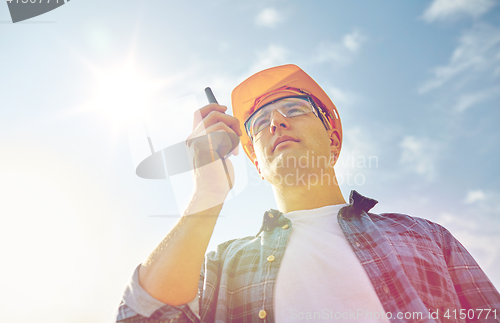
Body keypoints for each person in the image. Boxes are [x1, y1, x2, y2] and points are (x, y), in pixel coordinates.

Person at [116, 64, 500, 322]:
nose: (277, 122)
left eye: (293, 109)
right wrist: (208, 194)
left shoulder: (425, 236)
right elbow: (141, 315)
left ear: (333, 139)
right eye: (261, 123)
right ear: (258, 166)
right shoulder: (224, 265)